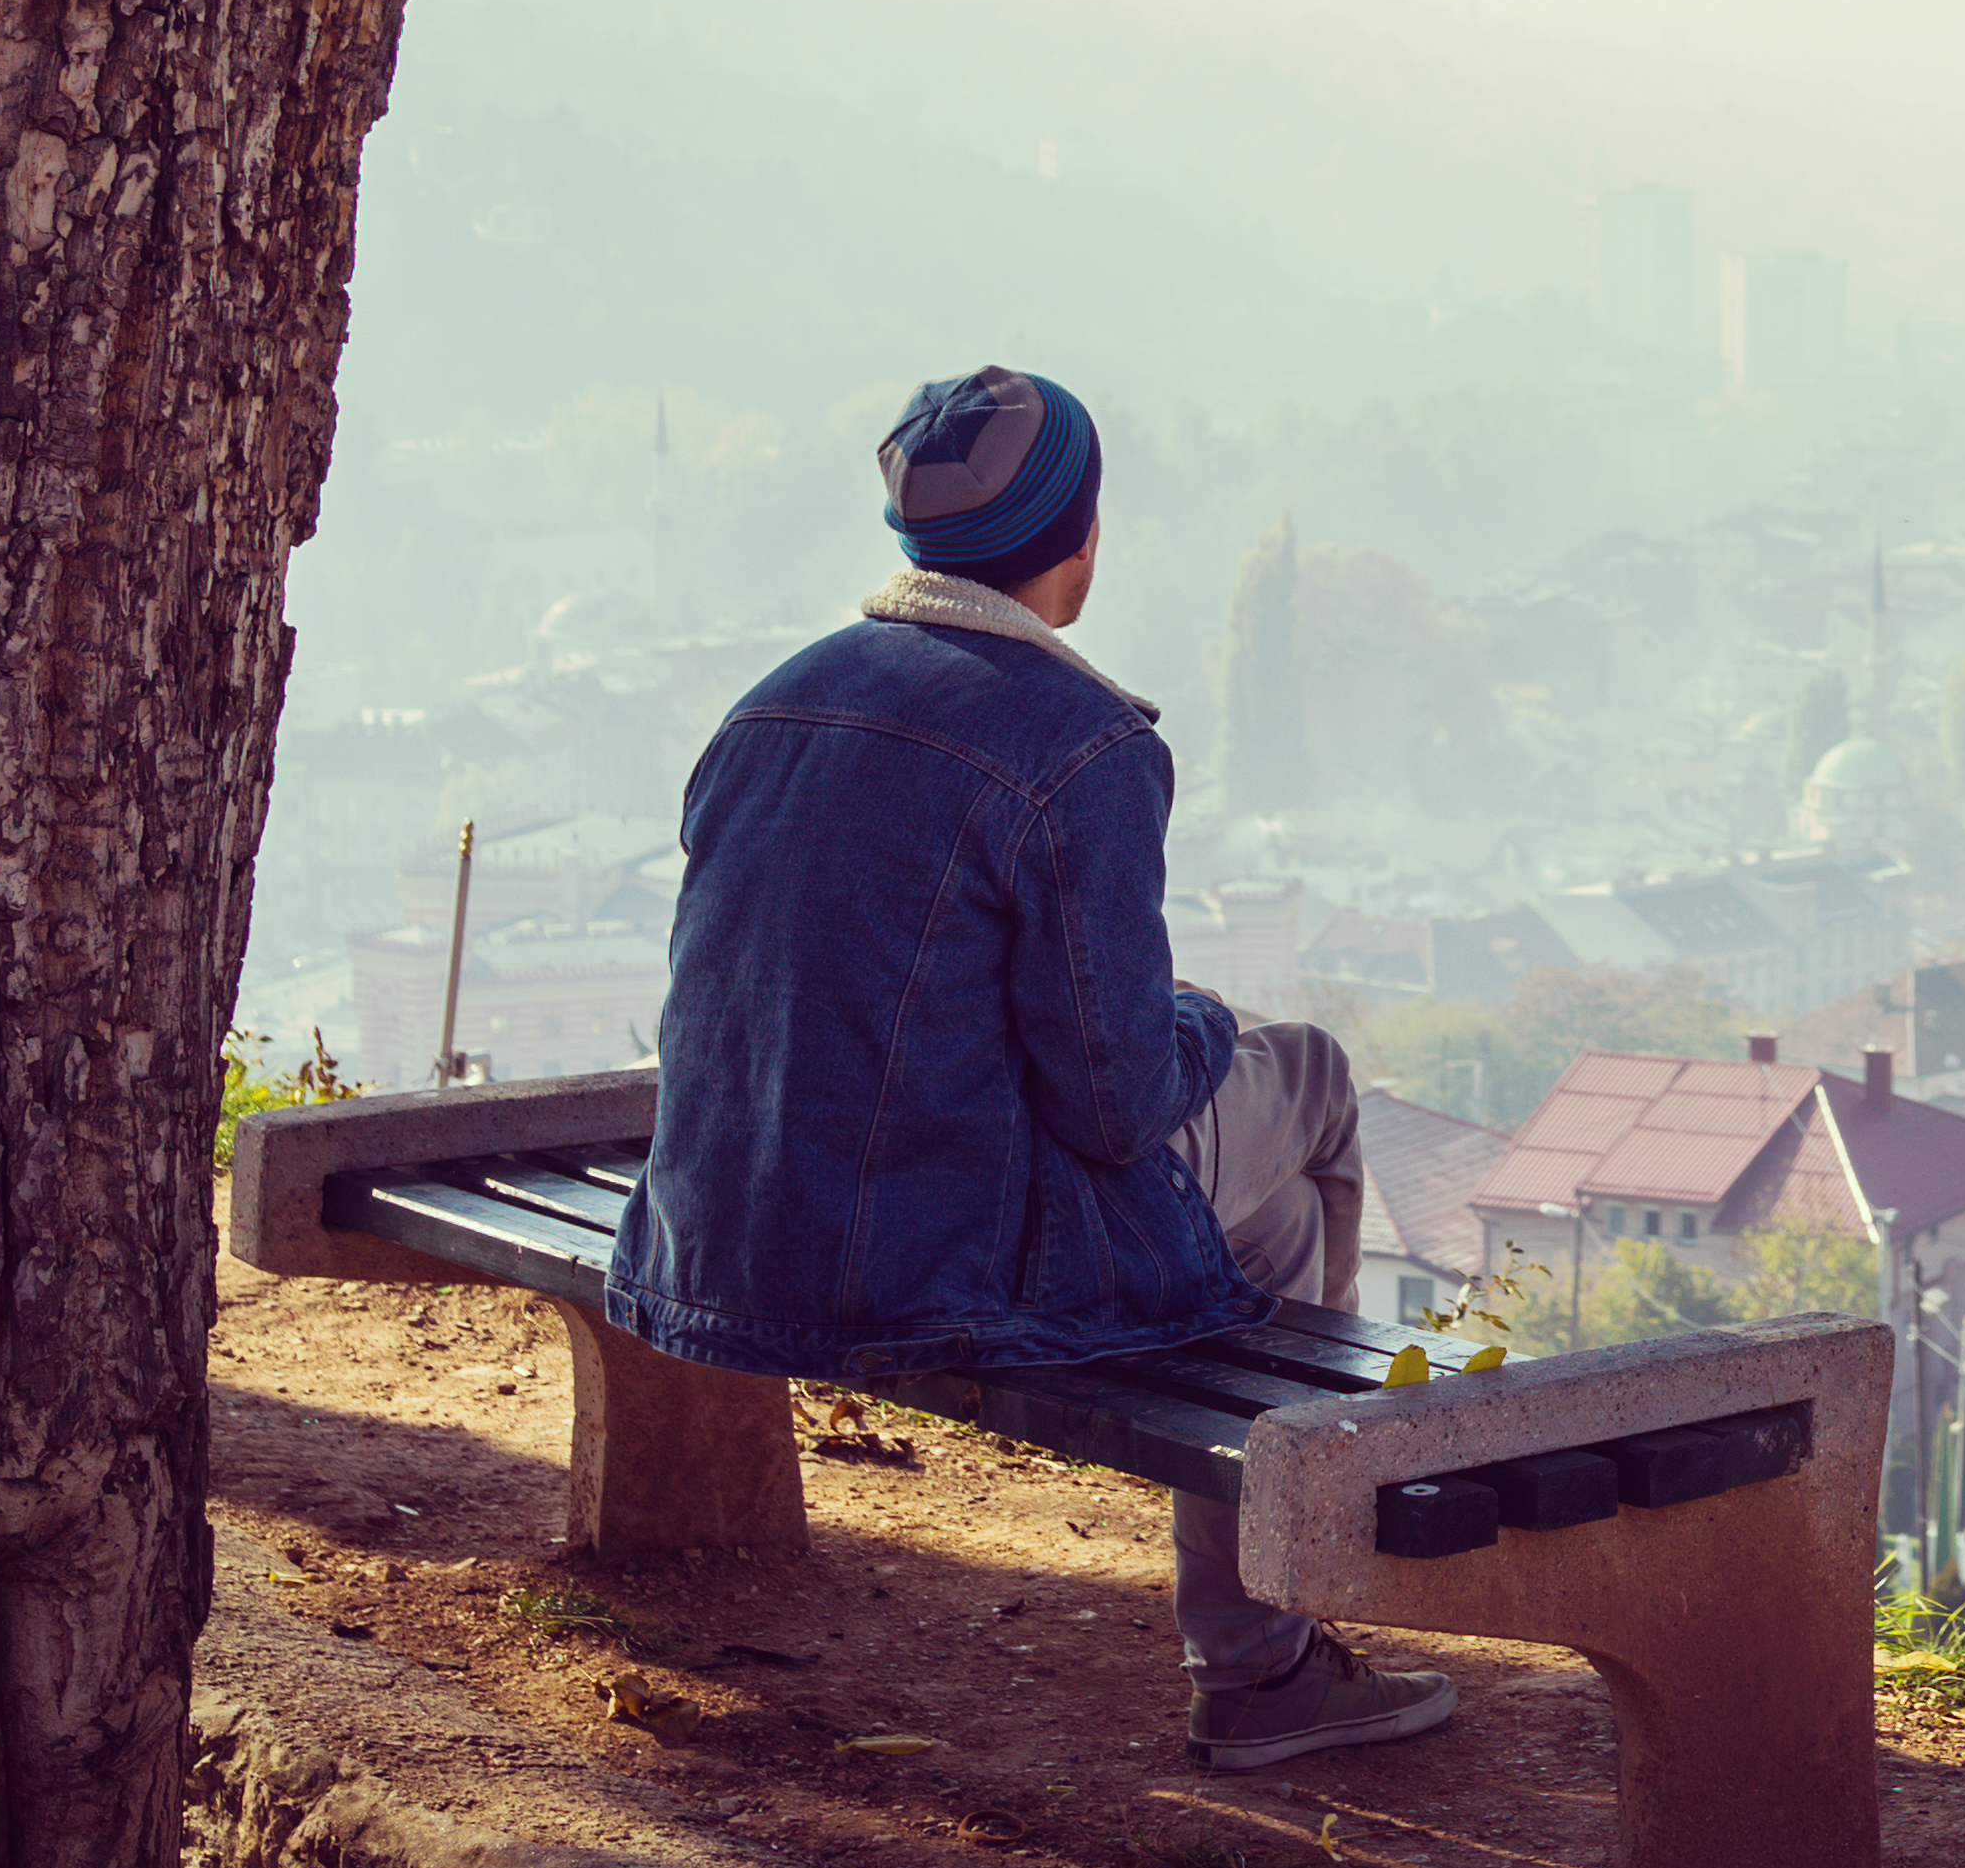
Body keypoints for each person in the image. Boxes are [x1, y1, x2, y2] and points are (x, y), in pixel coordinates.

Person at [605, 364, 1454, 1771]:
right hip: (933, 1261)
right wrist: (1204, 1020)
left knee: (1277, 1223)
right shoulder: (1080, 744)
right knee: (1305, 1079)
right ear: (1082, 533)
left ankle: (1269, 1641)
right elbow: (1114, 1102)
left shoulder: (768, 707)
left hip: (723, 1235)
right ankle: (1267, 1647)